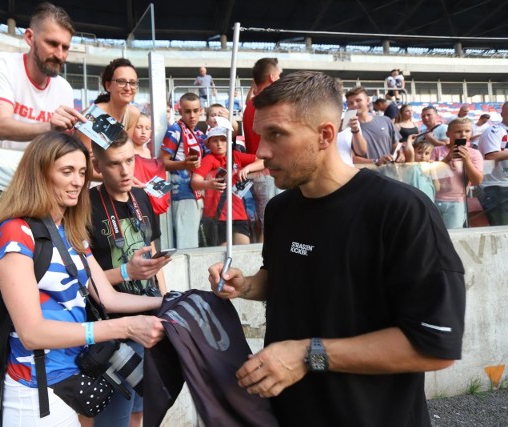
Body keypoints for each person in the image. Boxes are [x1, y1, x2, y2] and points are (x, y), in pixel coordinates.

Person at [208, 71, 466, 427]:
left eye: (276, 135)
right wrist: (247, 286)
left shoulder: (399, 209)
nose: (262, 152)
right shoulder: (281, 209)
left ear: (325, 134)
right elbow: (286, 277)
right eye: (259, 135)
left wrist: (306, 355)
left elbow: (434, 345)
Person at [0, 131, 165, 426]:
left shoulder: (70, 230)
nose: (78, 181)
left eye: (82, 172)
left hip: (75, 378)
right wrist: (125, 327)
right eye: (67, 171)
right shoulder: (14, 233)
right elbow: (32, 333)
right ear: (40, 174)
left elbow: (108, 296)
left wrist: (169, 301)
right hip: (36, 390)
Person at [0, 2, 82, 256]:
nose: (60, 54)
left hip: (23, 181)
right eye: (52, 44)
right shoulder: (0, 64)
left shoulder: (63, 88)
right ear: (30, 37)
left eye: (65, 47)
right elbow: (2, 126)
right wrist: (50, 126)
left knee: (24, 255)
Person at [87, 131, 170, 427]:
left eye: (129, 160)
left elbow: (155, 258)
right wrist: (126, 272)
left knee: (141, 414)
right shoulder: (85, 204)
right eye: (113, 164)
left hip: (150, 321)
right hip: (114, 329)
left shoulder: (142, 197)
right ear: (97, 166)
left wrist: (166, 303)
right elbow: (84, 278)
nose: (124, 170)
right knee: (115, 420)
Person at [191, 127, 264, 246]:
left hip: (239, 213)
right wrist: (209, 184)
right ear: (208, 144)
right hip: (217, 215)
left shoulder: (236, 156)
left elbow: (264, 162)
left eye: (223, 139)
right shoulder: (208, 159)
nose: (219, 144)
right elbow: (195, 182)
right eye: (214, 140)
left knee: (243, 253)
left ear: (229, 141)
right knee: (221, 255)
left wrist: (247, 168)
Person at [242, 57, 282, 242]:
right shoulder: (271, 104)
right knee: (272, 226)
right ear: (273, 77)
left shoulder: (249, 105)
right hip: (267, 172)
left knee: (265, 224)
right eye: (280, 74)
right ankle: (267, 268)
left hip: (257, 173)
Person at [160, 92, 205, 249]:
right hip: (182, 195)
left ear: (201, 111)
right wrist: (184, 164)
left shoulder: (199, 134)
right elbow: (162, 163)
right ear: (180, 111)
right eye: (187, 111)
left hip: (197, 194)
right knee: (187, 247)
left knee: (191, 243)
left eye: (195, 110)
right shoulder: (175, 130)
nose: (192, 115)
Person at [429, 118, 483, 228]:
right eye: (458, 132)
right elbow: (428, 174)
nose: (463, 135)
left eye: (467, 131)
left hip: (457, 202)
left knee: (453, 235)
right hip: (434, 199)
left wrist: (467, 161)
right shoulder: (436, 150)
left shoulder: (474, 154)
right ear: (448, 134)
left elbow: (477, 180)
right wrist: (446, 160)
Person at [347, 86, 408, 165]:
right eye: (350, 103)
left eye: (358, 100)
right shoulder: (345, 128)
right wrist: (376, 161)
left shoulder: (386, 120)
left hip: (389, 173)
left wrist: (401, 154)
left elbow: (396, 146)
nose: (355, 104)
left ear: (367, 100)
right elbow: (350, 157)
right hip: (363, 175)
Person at [476, 101, 508, 225]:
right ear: (502, 114)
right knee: (502, 231)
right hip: (497, 188)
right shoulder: (494, 130)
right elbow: (492, 155)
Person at [132, 114, 170, 215]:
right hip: (134, 197)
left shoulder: (148, 151)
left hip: (150, 198)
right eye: (139, 127)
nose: (143, 131)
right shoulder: (128, 150)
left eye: (147, 128)